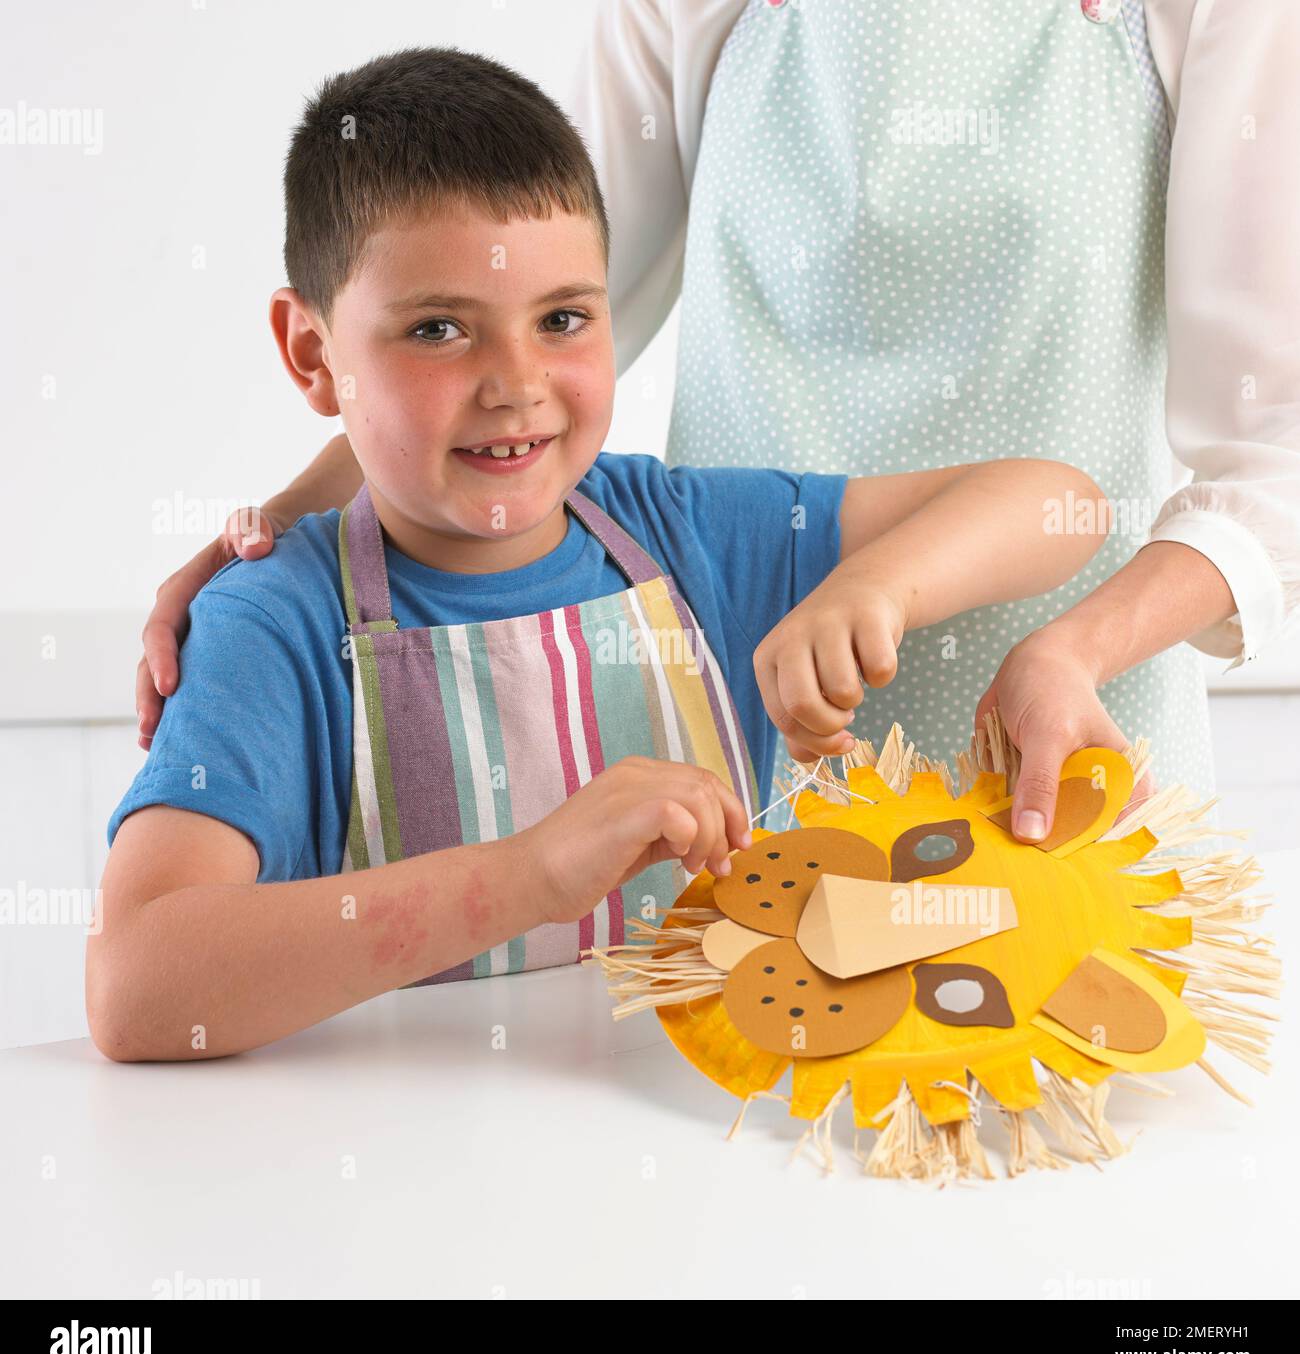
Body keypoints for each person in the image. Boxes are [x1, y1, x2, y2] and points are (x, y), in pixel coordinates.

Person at [93, 46, 1106, 1062]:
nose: (516, 383)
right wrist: (531, 874)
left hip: (695, 1149)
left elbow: (1065, 504)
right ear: (313, 354)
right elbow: (136, 985)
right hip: (413, 1183)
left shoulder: (686, 536)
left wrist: (878, 585)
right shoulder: (275, 621)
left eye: (563, 318)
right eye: (439, 328)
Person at [135, 0, 1300, 841]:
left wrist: (1070, 650)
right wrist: (288, 523)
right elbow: (516, 308)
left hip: (1070, 735)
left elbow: (1275, 448)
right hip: (750, 749)